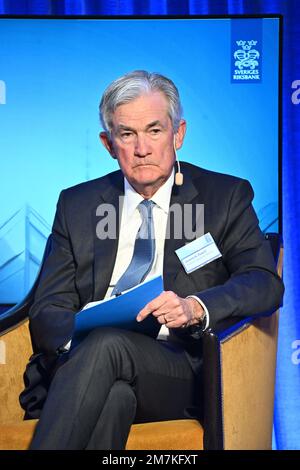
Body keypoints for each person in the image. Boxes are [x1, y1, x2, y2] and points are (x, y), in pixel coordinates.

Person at [20, 70, 284, 450]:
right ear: (109, 144)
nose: (141, 147)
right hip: (85, 369)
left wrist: (194, 307)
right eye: (127, 134)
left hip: (176, 368)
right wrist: (79, 332)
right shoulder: (77, 205)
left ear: (178, 134)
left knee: (107, 344)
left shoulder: (223, 197)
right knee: (114, 398)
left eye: (155, 130)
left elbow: (263, 282)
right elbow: (48, 309)